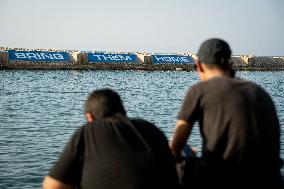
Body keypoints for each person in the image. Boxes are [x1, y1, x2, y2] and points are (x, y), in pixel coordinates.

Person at [170, 38, 283, 189]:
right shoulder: (259, 91)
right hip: (270, 180)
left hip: (221, 179)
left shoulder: (199, 90)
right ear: (230, 64)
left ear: (199, 66)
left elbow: (175, 148)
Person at [43, 89, 179, 189]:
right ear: (123, 112)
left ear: (89, 117)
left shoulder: (88, 131)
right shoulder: (152, 129)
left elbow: (52, 186)